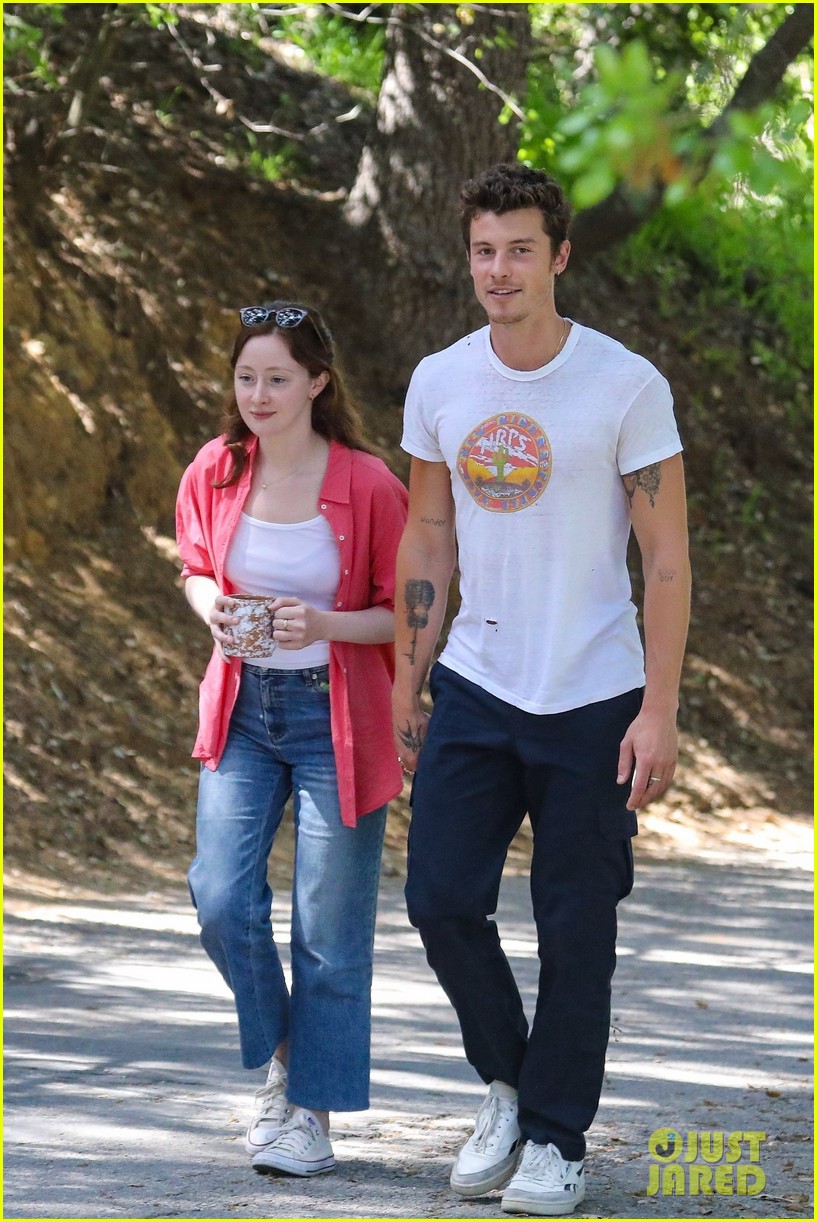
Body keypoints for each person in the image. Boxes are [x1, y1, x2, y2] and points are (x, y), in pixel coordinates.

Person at [392, 164, 691, 1216]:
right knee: (437, 898)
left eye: (520, 249)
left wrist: (657, 707)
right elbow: (428, 530)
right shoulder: (441, 380)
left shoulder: (623, 385)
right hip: (476, 679)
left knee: (575, 927)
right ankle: (512, 1084)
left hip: (596, 694)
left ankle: (556, 1140)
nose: (499, 270)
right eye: (483, 250)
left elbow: (663, 560)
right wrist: (408, 674)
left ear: (559, 257)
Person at [176, 301, 407, 1178]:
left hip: (333, 717)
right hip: (242, 710)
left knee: (327, 929)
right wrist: (218, 612)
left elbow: (406, 610)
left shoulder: (368, 484)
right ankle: (286, 1059)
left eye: (277, 378)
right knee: (219, 897)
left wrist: (321, 622)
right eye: (246, 378)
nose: (259, 394)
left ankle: (306, 1111)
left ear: (317, 382)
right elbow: (196, 568)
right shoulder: (218, 466)